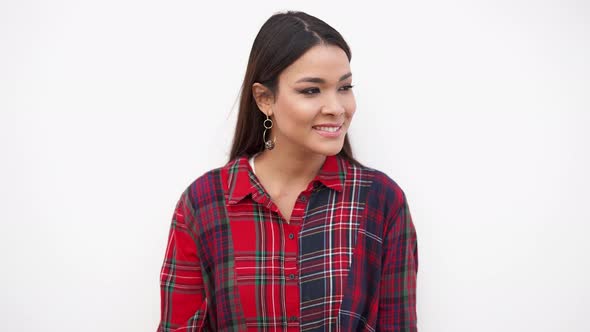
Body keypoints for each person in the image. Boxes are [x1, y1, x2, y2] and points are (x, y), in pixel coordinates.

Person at [157, 10, 418, 332]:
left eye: (345, 87)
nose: (336, 107)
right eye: (311, 90)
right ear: (265, 98)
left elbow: (398, 324)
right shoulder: (204, 202)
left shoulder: (380, 200)